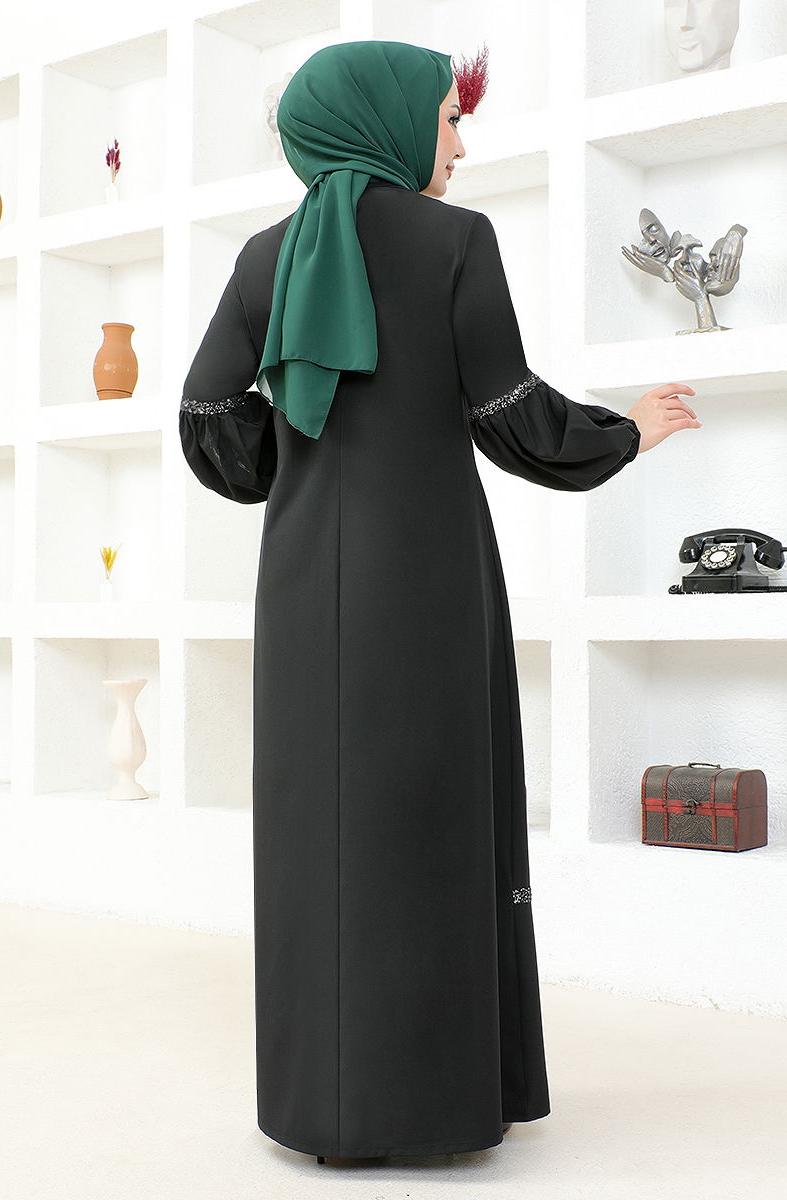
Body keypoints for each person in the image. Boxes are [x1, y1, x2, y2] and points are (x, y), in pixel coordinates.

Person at [178, 40, 701, 1165]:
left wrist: (295, 457)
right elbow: (512, 416)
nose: (459, 144)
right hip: (424, 579)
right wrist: (626, 433)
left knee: (317, 833)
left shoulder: (265, 257)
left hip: (300, 584)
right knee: (431, 826)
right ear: (382, 120)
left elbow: (206, 415)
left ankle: (320, 1108)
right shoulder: (456, 240)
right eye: (448, 119)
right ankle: (431, 1103)